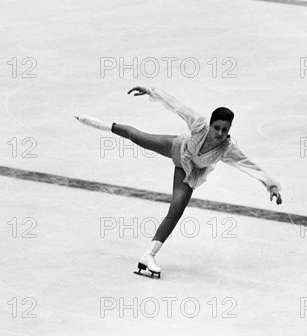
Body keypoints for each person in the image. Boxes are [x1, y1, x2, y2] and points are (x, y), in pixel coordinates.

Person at [75, 86, 282, 278]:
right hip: (176, 148)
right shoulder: (200, 125)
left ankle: (149, 255)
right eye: (217, 128)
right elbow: (178, 107)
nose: (220, 133)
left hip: (188, 171)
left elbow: (248, 165)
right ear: (210, 125)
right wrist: (151, 91)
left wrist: (271, 185)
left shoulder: (227, 149)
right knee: (137, 136)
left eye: (224, 130)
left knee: (176, 210)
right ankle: (94, 122)